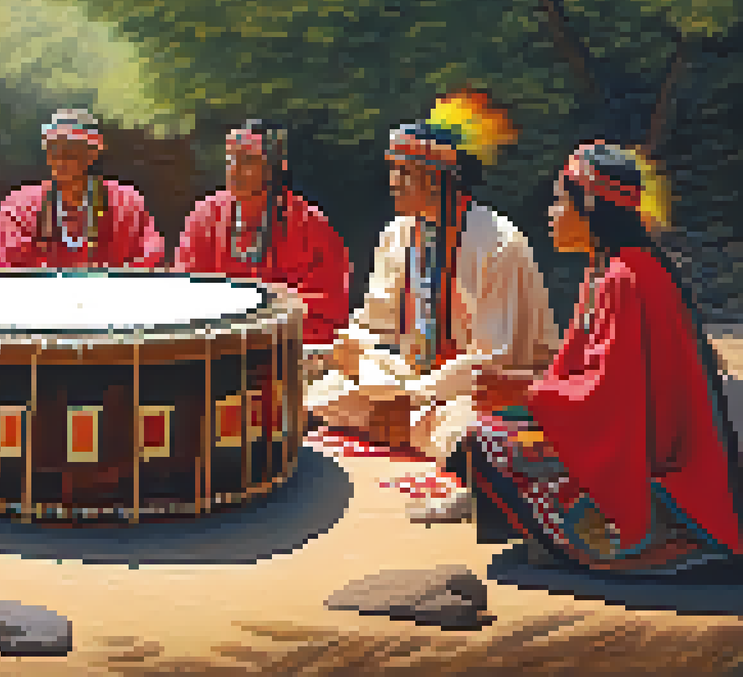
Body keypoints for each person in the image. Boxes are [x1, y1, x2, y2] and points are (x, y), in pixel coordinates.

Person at [453, 140, 742, 573]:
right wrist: (523, 394)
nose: (550, 214)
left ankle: (634, 541)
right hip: (638, 439)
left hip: (657, 462)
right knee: (495, 427)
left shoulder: (625, 278)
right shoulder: (611, 270)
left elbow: (608, 398)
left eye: (558, 201)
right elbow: (581, 376)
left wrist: (521, 393)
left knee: (490, 442)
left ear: (589, 207)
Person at [305, 91, 559, 483]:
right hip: (411, 380)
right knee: (315, 397)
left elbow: (491, 360)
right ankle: (404, 423)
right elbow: (375, 323)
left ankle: (415, 430)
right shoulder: (396, 235)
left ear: (440, 179)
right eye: (393, 170)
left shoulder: (497, 242)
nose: (393, 183)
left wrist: (412, 397)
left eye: (405, 173)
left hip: (480, 390)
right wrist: (351, 353)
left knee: (464, 432)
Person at [173, 120, 350, 344]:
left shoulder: (310, 223)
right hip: (216, 341)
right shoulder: (204, 216)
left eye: (247, 160)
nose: (235, 170)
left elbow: (330, 306)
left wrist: (273, 303)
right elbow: (185, 289)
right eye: (231, 160)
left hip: (288, 344)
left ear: (274, 167)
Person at [0, 109, 164, 269]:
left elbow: (147, 262)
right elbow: (12, 271)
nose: (61, 157)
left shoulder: (126, 204)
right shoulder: (20, 206)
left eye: (71, 149)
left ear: (92, 153)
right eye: (53, 148)